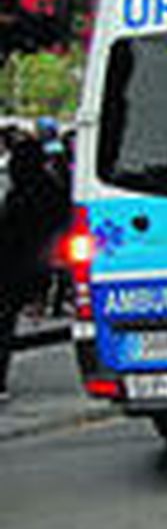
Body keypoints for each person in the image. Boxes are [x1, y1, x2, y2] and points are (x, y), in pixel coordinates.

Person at [0, 134, 70, 402]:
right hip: (30, 266)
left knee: (4, 324)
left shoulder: (23, 193)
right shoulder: (49, 190)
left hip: (14, 266)